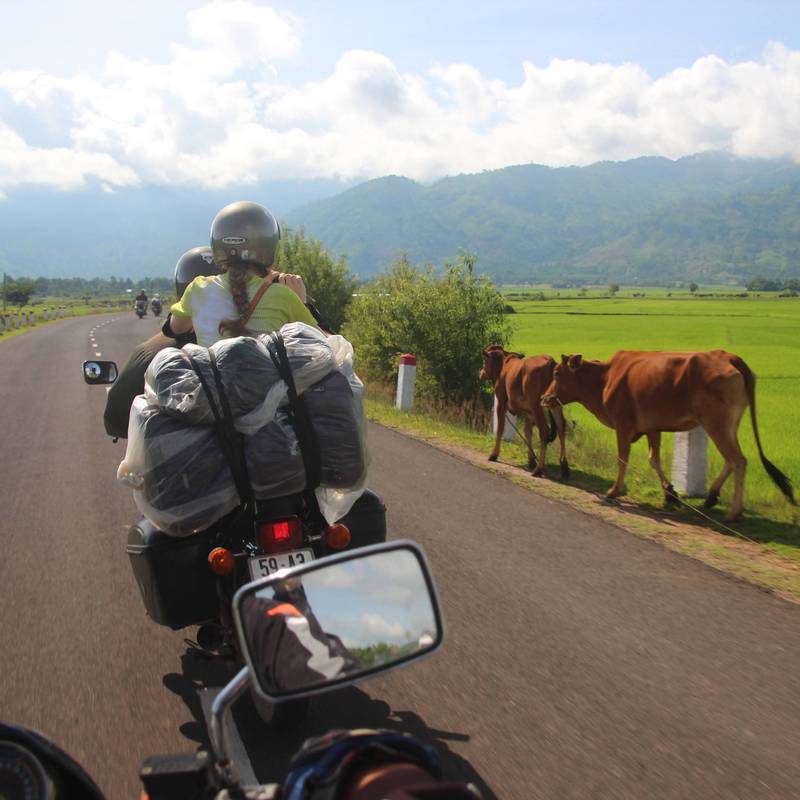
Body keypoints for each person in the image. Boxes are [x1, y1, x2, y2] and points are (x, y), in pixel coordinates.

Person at [167, 201, 318, 347]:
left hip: (212, 373)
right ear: (269, 247)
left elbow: (175, 328)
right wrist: (302, 302)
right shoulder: (284, 296)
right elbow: (321, 344)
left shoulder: (197, 289)